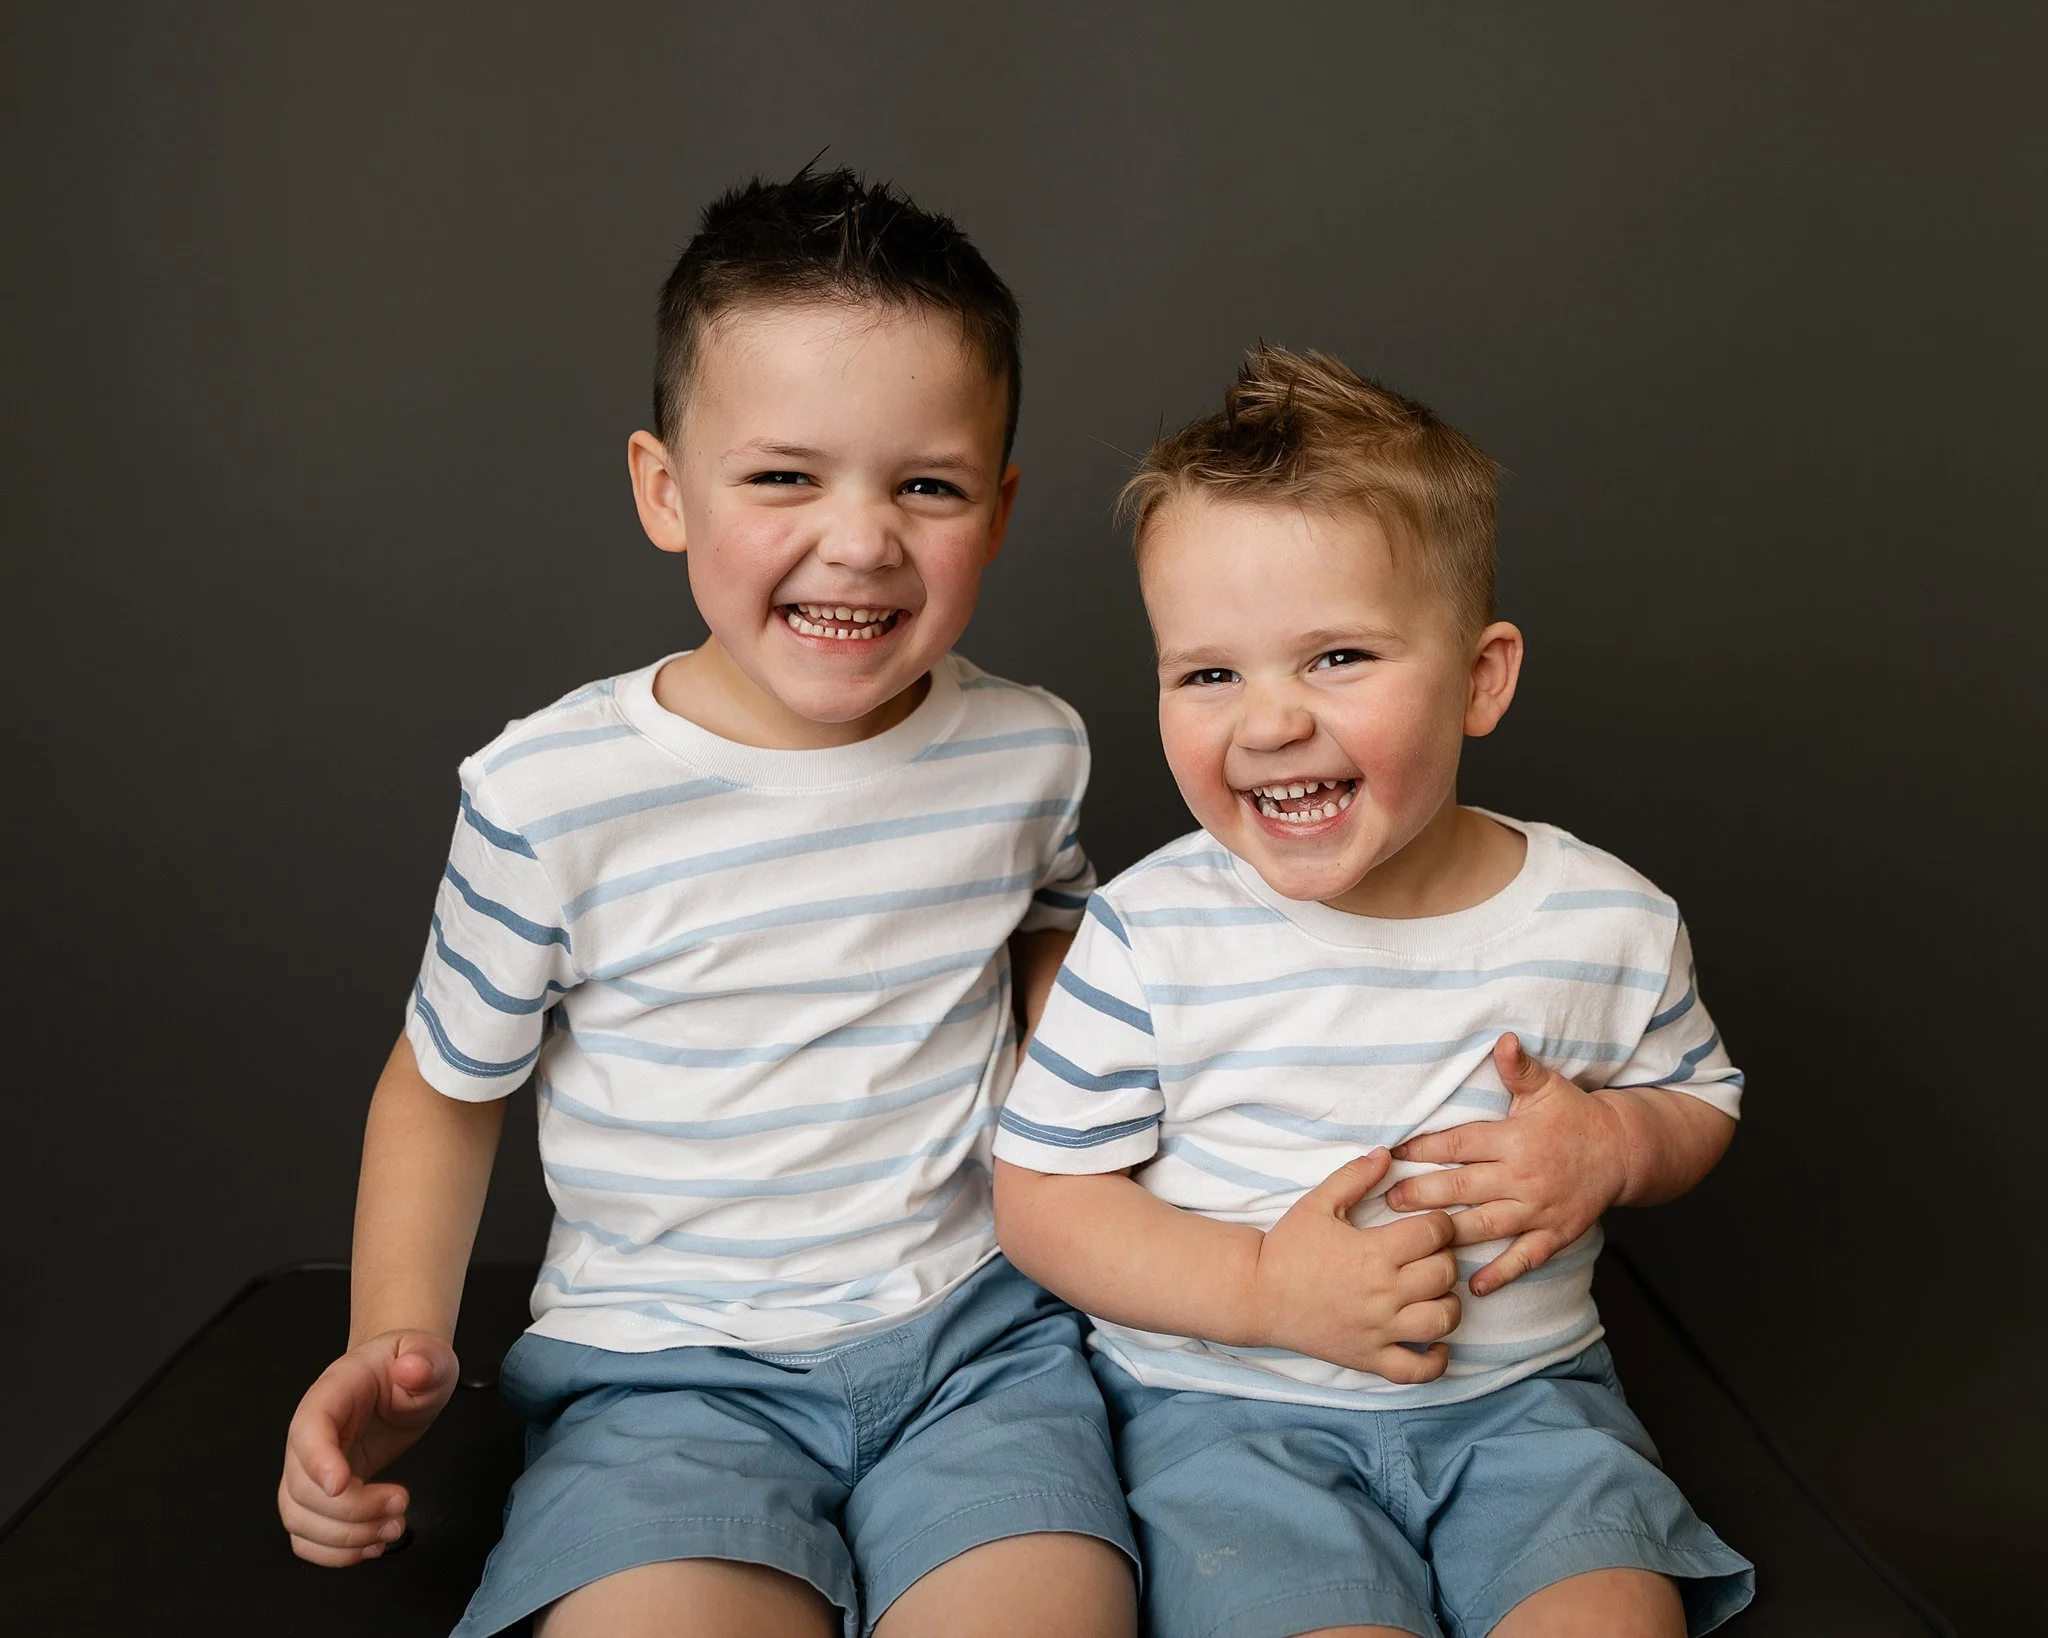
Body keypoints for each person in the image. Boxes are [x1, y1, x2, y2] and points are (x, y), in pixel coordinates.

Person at [276, 167, 1138, 1638]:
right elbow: (440, 1086)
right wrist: (395, 1339)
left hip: (982, 1349)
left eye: (924, 484)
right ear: (665, 490)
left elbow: (1050, 930)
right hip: (665, 1371)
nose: (860, 539)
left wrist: (1108, 1119)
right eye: (785, 476)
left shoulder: (1029, 748)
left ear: (995, 509)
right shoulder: (553, 794)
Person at [992, 346, 1755, 1638]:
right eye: (1210, 672)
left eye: (1337, 655)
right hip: (1228, 1418)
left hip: (1532, 1410)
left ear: (1481, 675)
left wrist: (1617, 1142)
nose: (1270, 721)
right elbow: (1044, 1200)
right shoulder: (1152, 935)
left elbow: (1701, 1096)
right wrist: (1261, 1291)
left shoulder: (1602, 917)